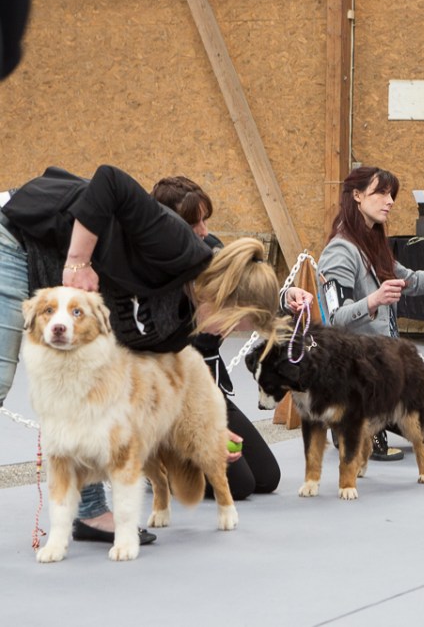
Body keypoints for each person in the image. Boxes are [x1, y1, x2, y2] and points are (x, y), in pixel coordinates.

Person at [0, 164, 309, 545]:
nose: (230, 334)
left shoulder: (177, 327)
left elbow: (137, 372)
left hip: (55, 273)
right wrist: (78, 260)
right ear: (227, 300)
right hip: (21, 238)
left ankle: (91, 512)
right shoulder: (176, 243)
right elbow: (108, 180)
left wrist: (208, 425)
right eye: (238, 325)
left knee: (90, 390)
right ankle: (92, 512)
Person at [315, 166, 424, 459]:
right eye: (381, 193)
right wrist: (373, 300)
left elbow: (414, 281)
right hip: (360, 361)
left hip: (389, 356)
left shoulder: (373, 243)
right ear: (357, 196)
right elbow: (335, 318)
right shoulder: (340, 251)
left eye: (391, 194)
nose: (390, 201)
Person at [151, 175, 282, 501]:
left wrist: (286, 293)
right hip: (171, 396)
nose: (204, 231)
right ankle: (159, 461)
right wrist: (203, 427)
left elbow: (246, 284)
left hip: (208, 384)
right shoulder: (158, 281)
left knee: (267, 478)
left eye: (205, 219)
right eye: (195, 222)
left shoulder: (211, 251)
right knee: (240, 485)